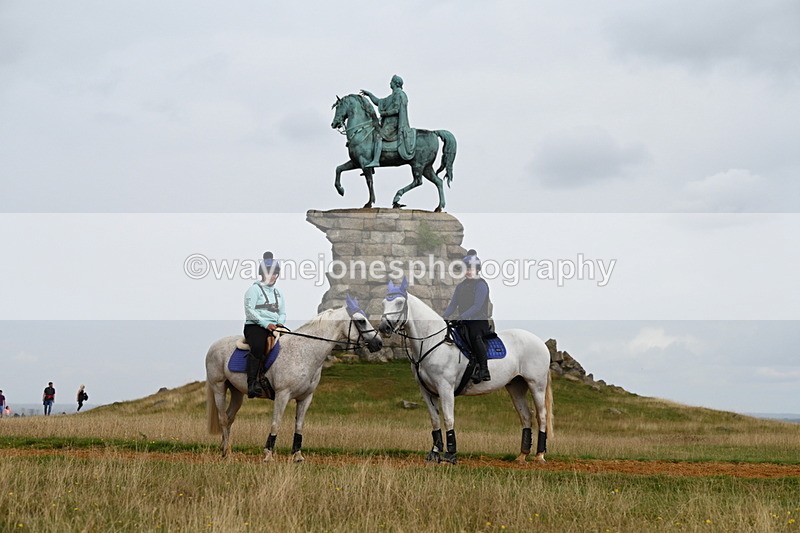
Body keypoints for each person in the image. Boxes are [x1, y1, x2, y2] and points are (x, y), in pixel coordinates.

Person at [443, 249, 492, 383]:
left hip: (478, 322)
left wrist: (461, 316)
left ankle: (484, 369)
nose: (469, 271)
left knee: (475, 337)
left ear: (477, 270)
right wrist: (443, 317)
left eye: (472, 269)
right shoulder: (460, 287)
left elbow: (477, 306)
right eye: (467, 269)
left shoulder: (481, 285)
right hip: (464, 321)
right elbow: (453, 305)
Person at [243, 251, 287, 398]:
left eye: (275, 273)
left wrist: (280, 323)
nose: (272, 276)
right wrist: (265, 323)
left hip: (275, 327)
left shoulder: (278, 293)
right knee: (258, 346)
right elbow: (250, 311)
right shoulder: (254, 290)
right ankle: (252, 384)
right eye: (269, 273)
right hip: (255, 327)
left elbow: (282, 312)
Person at [360, 74, 414, 166]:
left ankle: (376, 161)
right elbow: (379, 102)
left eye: (391, 82)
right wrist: (369, 95)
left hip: (393, 124)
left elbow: (396, 109)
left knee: (378, 136)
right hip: (388, 123)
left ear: (396, 83)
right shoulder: (393, 95)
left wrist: (385, 113)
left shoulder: (399, 94)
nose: (390, 83)